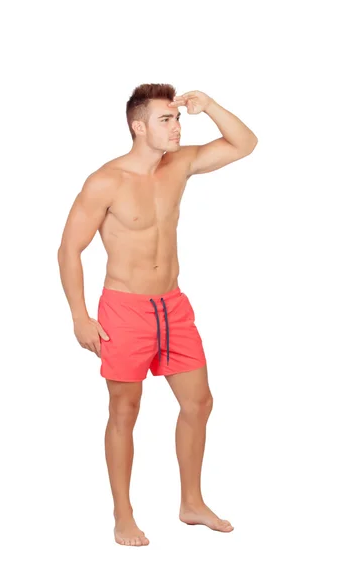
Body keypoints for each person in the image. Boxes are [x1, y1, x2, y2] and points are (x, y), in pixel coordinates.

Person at [57, 84, 258, 546]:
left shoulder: (180, 165)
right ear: (139, 126)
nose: (177, 127)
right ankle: (123, 515)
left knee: (199, 402)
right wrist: (79, 316)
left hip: (172, 305)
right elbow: (70, 248)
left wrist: (209, 106)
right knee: (124, 410)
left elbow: (245, 144)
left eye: (178, 118)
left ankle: (191, 502)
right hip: (123, 310)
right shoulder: (105, 181)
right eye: (167, 119)